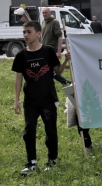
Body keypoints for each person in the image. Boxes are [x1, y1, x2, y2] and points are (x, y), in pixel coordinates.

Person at [12, 21, 71, 175]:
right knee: (29, 130)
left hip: (48, 99)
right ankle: (31, 162)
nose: (25, 35)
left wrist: (65, 60)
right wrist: (16, 99)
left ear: (38, 33)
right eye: (24, 32)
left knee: (50, 130)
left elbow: (57, 71)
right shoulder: (21, 55)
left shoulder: (48, 51)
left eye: (29, 32)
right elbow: (18, 78)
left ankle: (52, 160)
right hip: (30, 100)